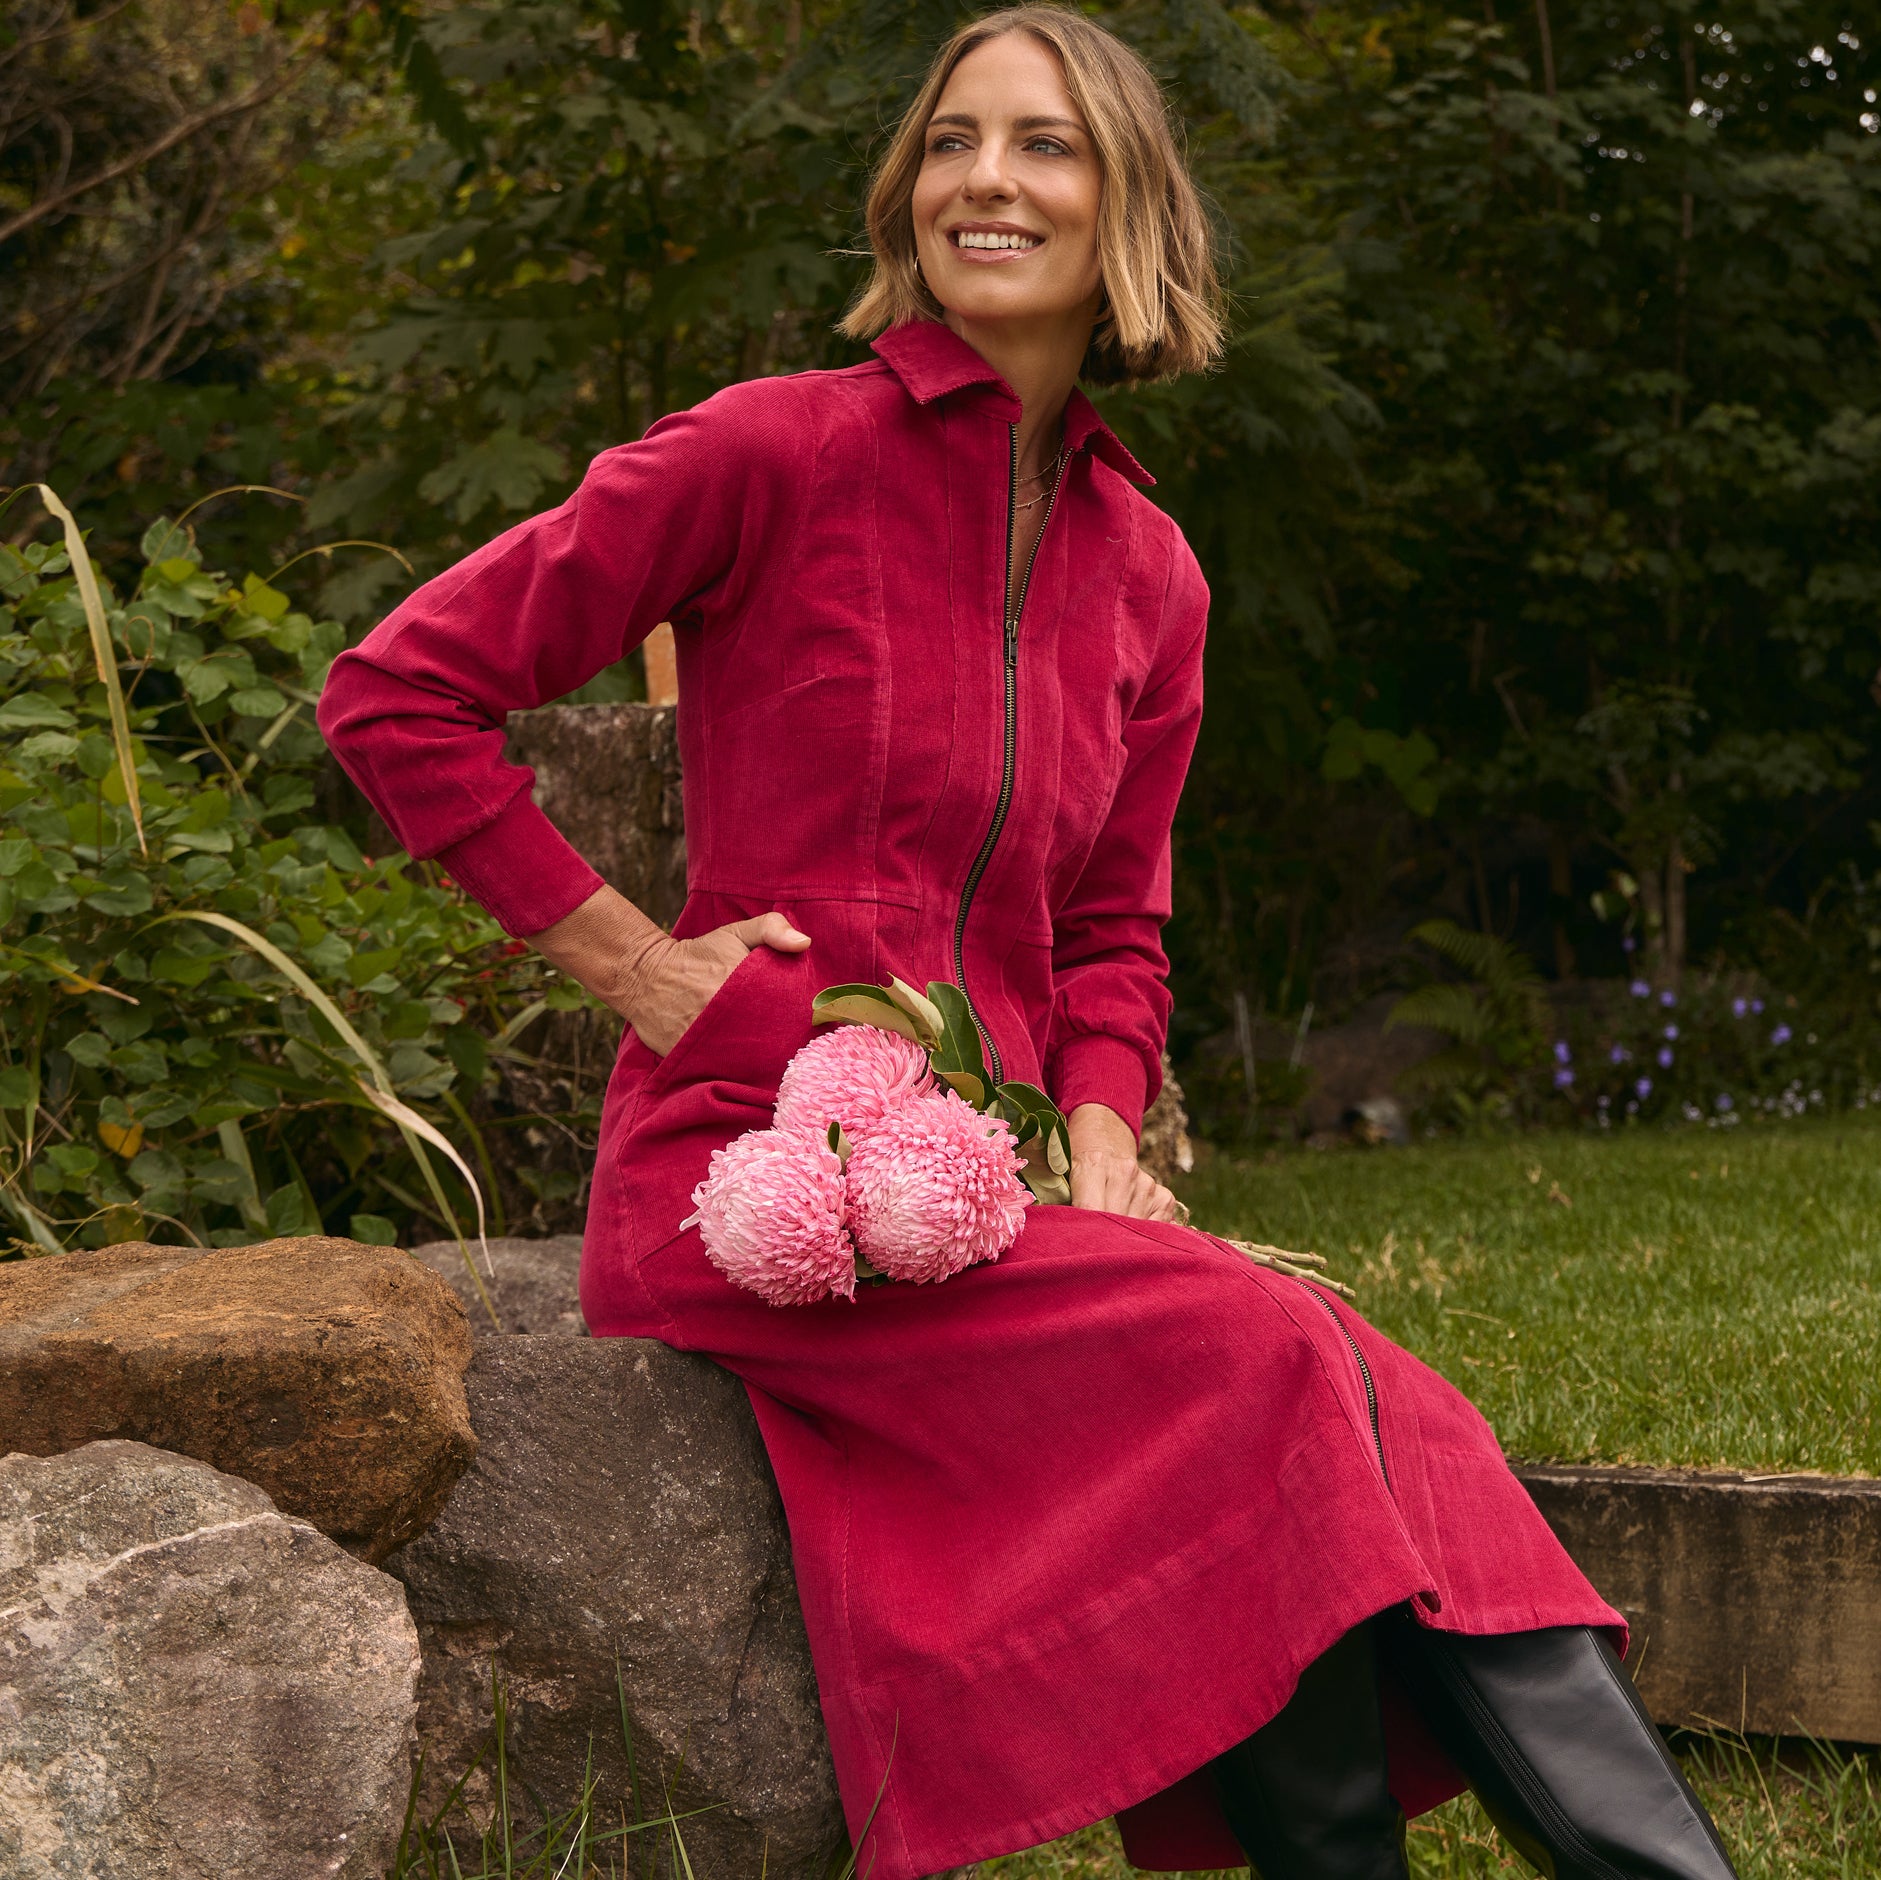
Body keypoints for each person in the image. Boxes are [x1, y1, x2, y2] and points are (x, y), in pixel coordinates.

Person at [319, 9, 1740, 1878]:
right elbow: (396, 692)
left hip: (989, 1193)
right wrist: (642, 971)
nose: (984, 180)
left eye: (1044, 144)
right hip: (746, 1171)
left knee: (1352, 1378)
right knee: (1276, 1353)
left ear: (1127, 205)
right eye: (952, 140)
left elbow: (1111, 926)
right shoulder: (768, 450)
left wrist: (1100, 1133)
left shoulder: (1152, 572)